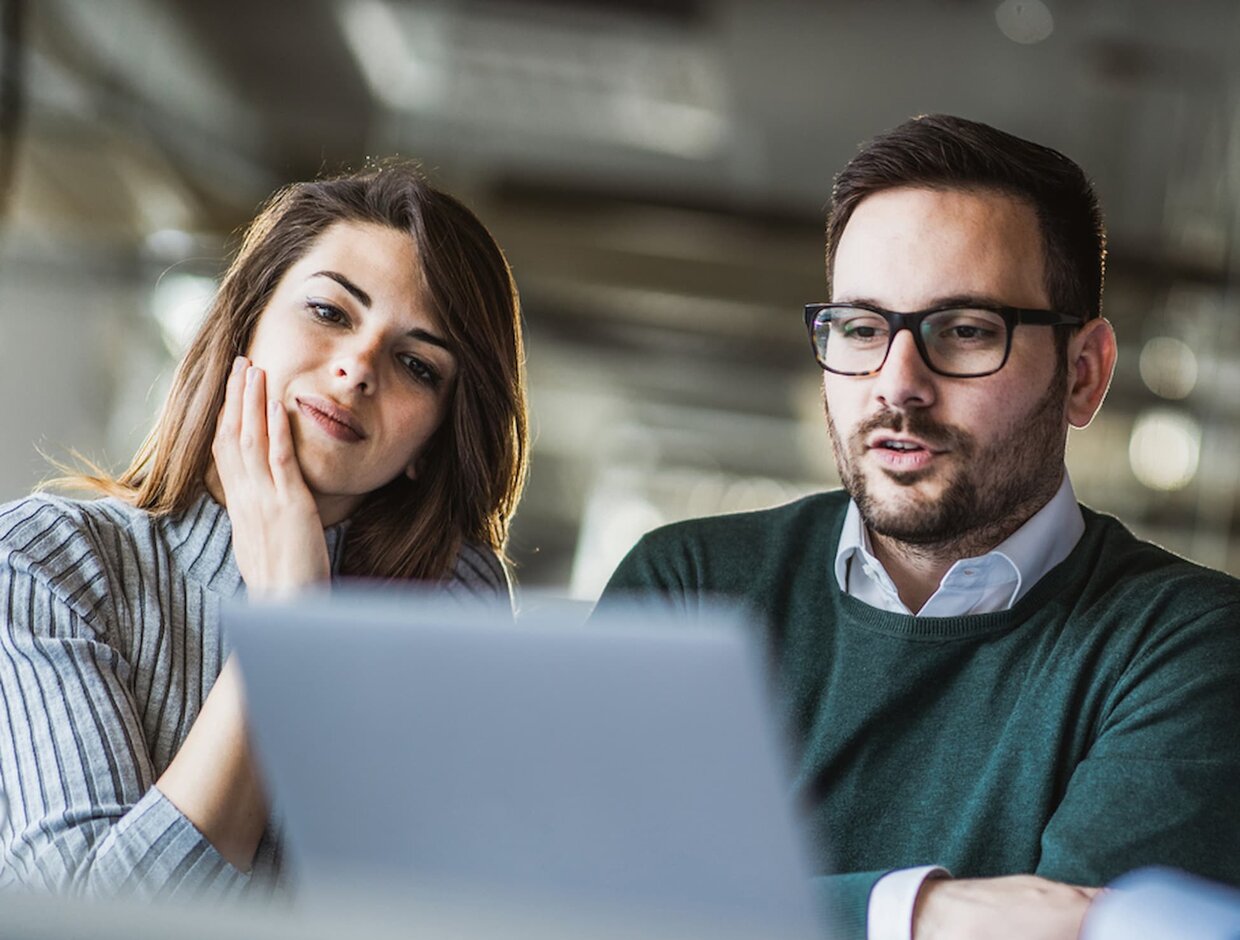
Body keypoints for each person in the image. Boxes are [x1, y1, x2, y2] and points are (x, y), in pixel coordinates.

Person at [597, 114, 1240, 940]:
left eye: (967, 331)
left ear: (1084, 375)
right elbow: (569, 901)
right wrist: (922, 912)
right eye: (862, 328)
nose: (897, 384)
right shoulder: (690, 586)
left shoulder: (1188, 650)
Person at [0, 161, 528, 898]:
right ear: (244, 323)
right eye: (330, 313)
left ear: (433, 441)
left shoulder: (450, 609)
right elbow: (92, 919)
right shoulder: (46, 560)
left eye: (416, 363)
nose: (357, 369)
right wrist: (288, 621)